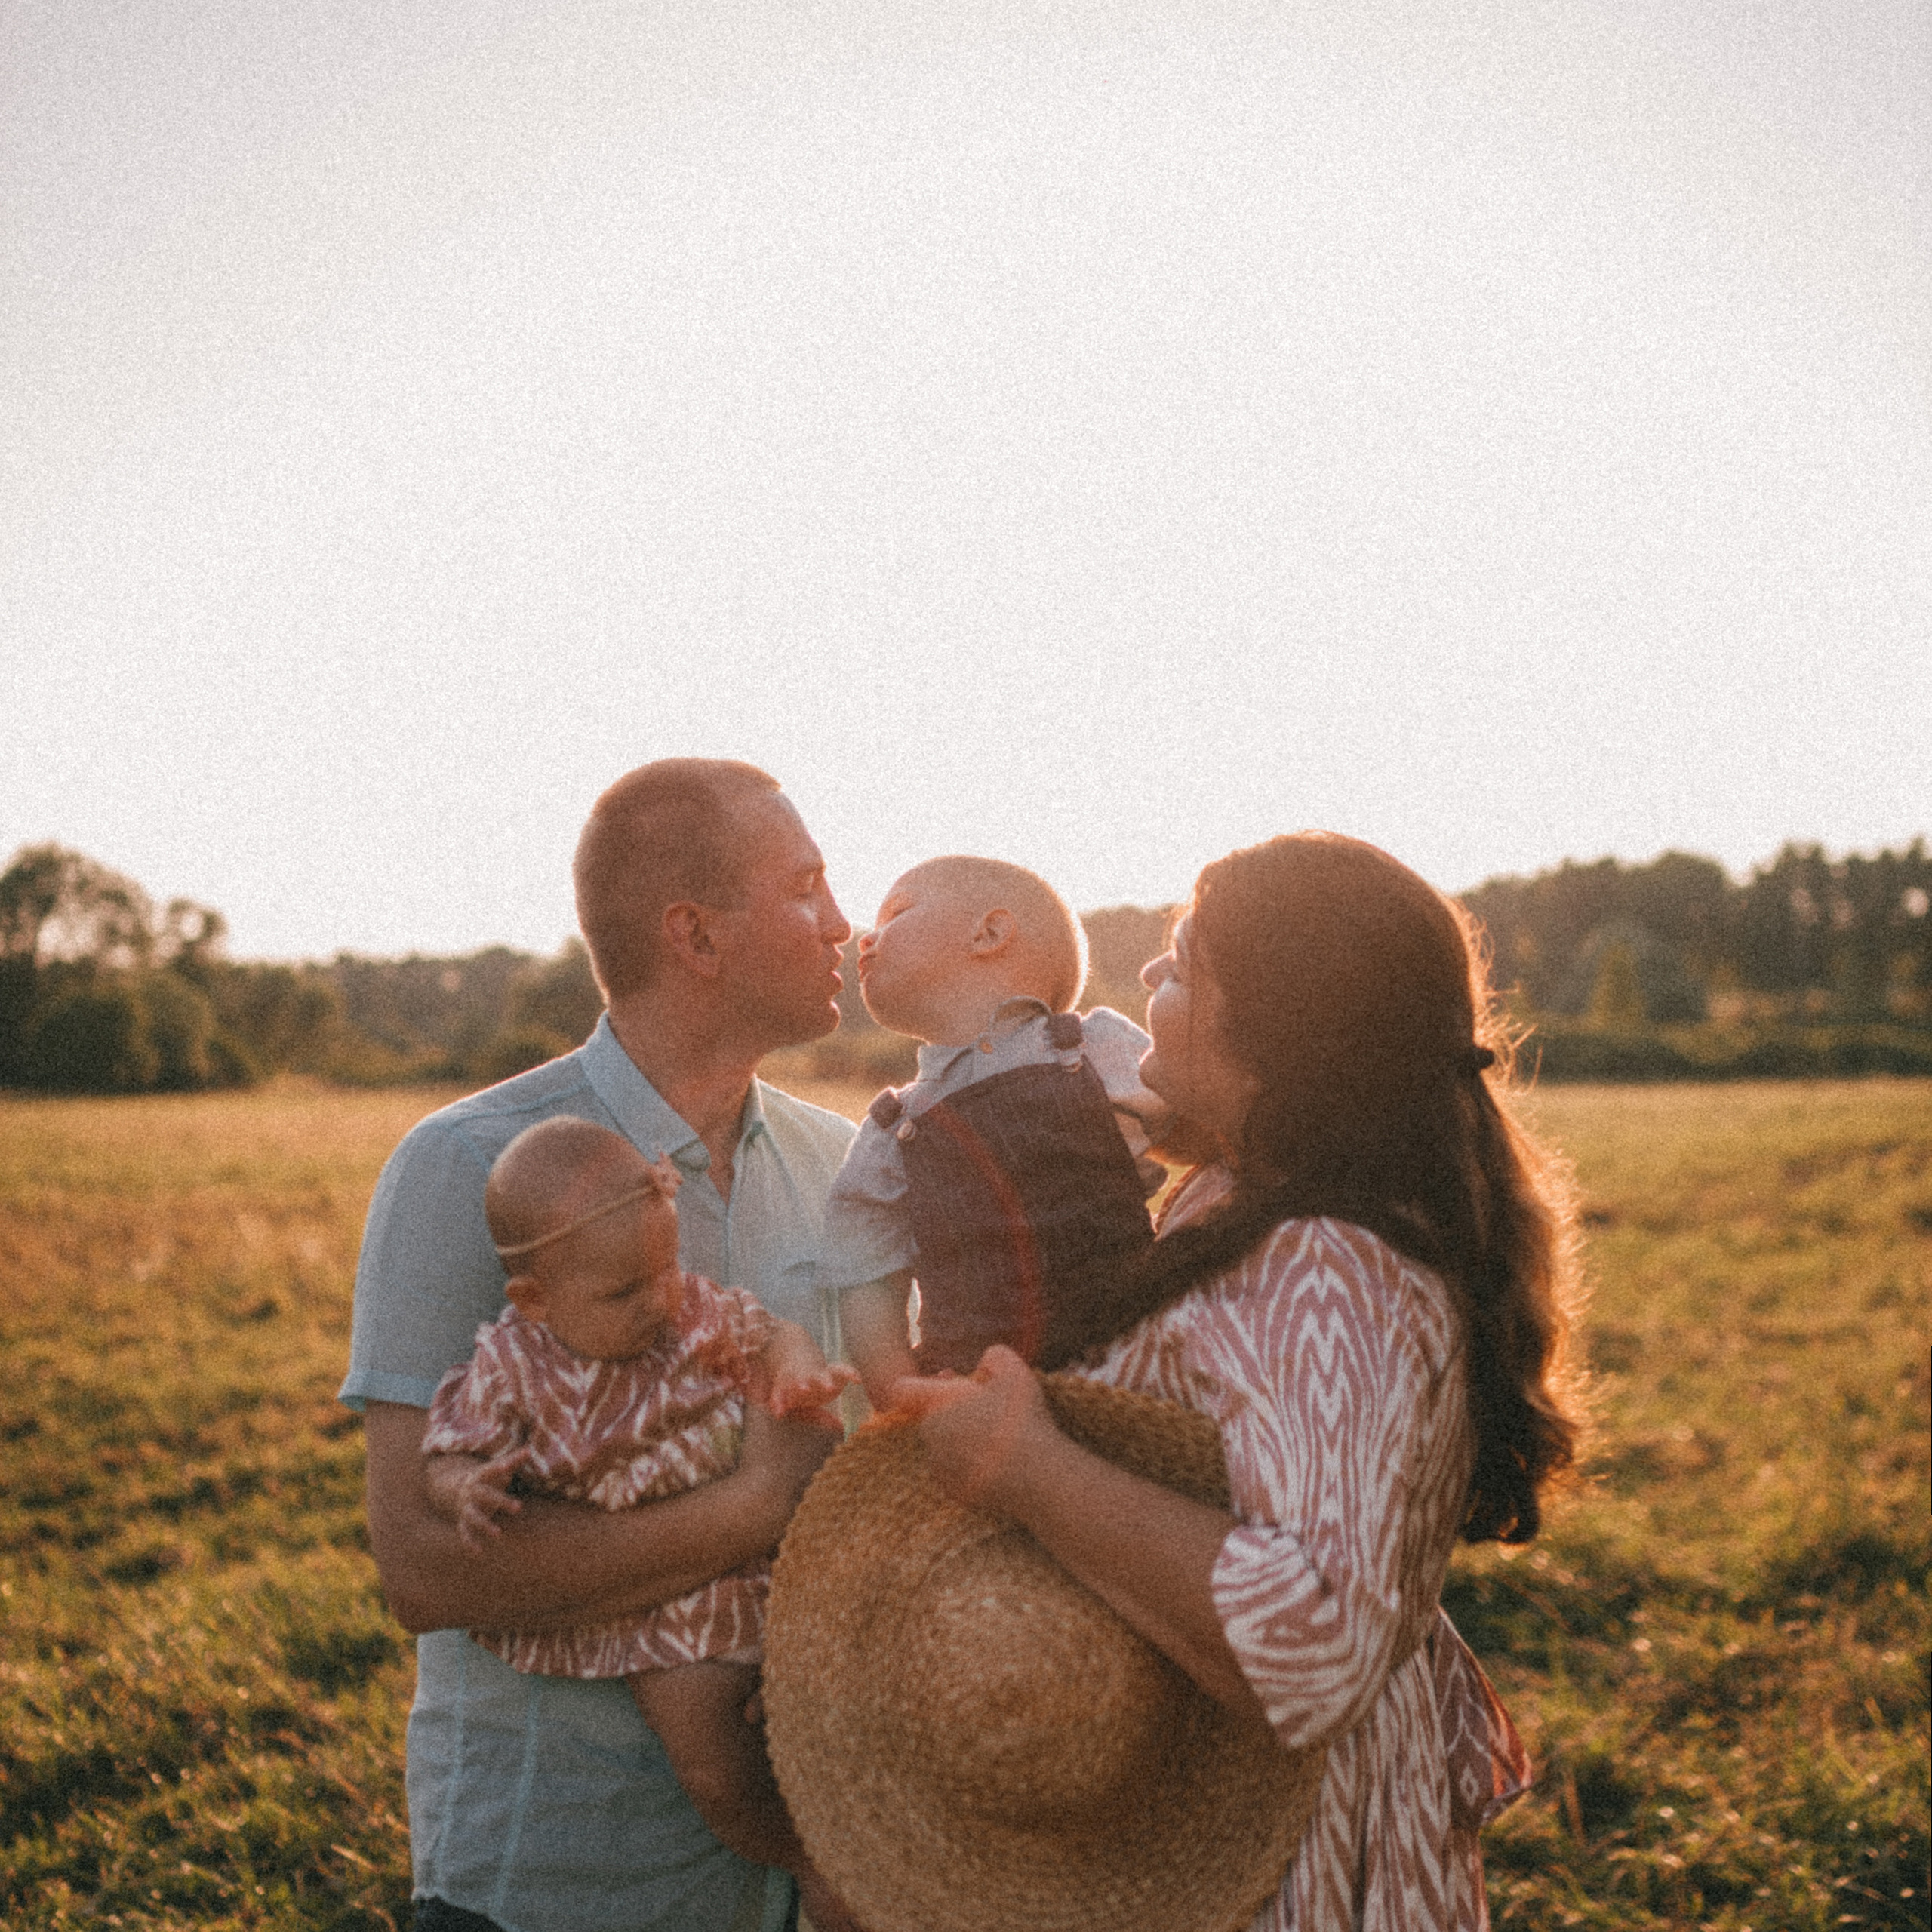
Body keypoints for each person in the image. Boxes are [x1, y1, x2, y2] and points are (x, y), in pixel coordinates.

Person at [895, 832, 1583, 1931]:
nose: (1153, 986)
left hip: (1284, 1856)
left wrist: (1029, 1473)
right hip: (1252, 1813)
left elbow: (1313, 1638)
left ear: (1268, 1022)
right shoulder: (1263, 1197)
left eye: (1182, 965)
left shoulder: (1327, 1266)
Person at [340, 758, 860, 1932]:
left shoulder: (854, 1173)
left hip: (820, 1885)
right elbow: (424, 1566)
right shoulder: (466, 1167)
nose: (843, 922)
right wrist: (751, 1507)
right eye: (807, 888)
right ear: (696, 935)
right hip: (561, 1882)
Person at [420, 1118, 856, 1907]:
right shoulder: (512, 1365)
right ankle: (808, 1858)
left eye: (667, 1265)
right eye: (625, 1290)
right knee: (711, 1756)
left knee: (836, 1699)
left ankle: (884, 1829)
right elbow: (446, 1450)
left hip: (772, 1557)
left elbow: (771, 1331)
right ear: (534, 1299)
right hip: (656, 1595)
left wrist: (796, 1371)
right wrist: (465, 1489)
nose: (659, 1297)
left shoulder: (685, 1309)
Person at [819, 855, 1168, 1407]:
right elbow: (865, 1274)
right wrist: (894, 1384)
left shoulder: (1088, 1050)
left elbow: (1207, 1129)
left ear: (989, 933)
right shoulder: (894, 1127)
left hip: (1132, 1370)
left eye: (896, 914)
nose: (866, 938)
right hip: (974, 1396)